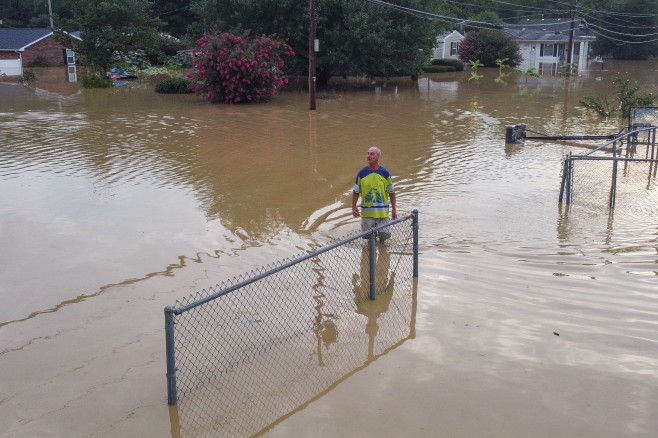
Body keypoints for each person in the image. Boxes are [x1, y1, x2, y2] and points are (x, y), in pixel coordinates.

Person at [352, 146, 397, 242]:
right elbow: (356, 192)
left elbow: (391, 192)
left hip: (383, 213)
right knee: (370, 239)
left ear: (378, 156)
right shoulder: (361, 173)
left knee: (384, 236)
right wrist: (353, 206)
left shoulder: (385, 173)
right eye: (368, 153)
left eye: (372, 154)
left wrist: (394, 209)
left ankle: (382, 251)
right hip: (367, 213)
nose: (369, 156)